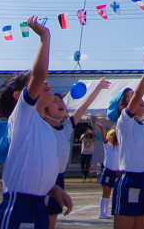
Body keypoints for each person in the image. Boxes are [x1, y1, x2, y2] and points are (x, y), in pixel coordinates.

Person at [0, 17, 72, 229]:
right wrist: (44, 36)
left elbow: (34, 169)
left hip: (38, 205)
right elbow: (40, 73)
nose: (45, 82)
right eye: (35, 82)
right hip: (18, 207)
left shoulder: (44, 127)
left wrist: (54, 189)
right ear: (19, 96)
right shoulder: (23, 115)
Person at [44, 78, 109, 229]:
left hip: (59, 178)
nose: (60, 103)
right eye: (54, 101)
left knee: (51, 218)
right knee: (39, 217)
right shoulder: (42, 126)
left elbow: (84, 105)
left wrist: (98, 87)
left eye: (61, 101)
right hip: (44, 178)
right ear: (44, 110)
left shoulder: (67, 127)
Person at [108, 49, 144, 229]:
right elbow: (138, 94)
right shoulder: (124, 122)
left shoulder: (143, 127)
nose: (138, 98)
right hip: (130, 180)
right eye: (131, 98)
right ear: (123, 107)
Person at [97, 123, 120, 219]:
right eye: (111, 136)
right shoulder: (108, 146)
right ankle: (101, 212)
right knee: (105, 192)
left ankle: (105, 212)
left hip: (114, 172)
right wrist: (102, 128)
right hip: (107, 171)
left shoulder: (119, 148)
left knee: (109, 192)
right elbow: (103, 138)